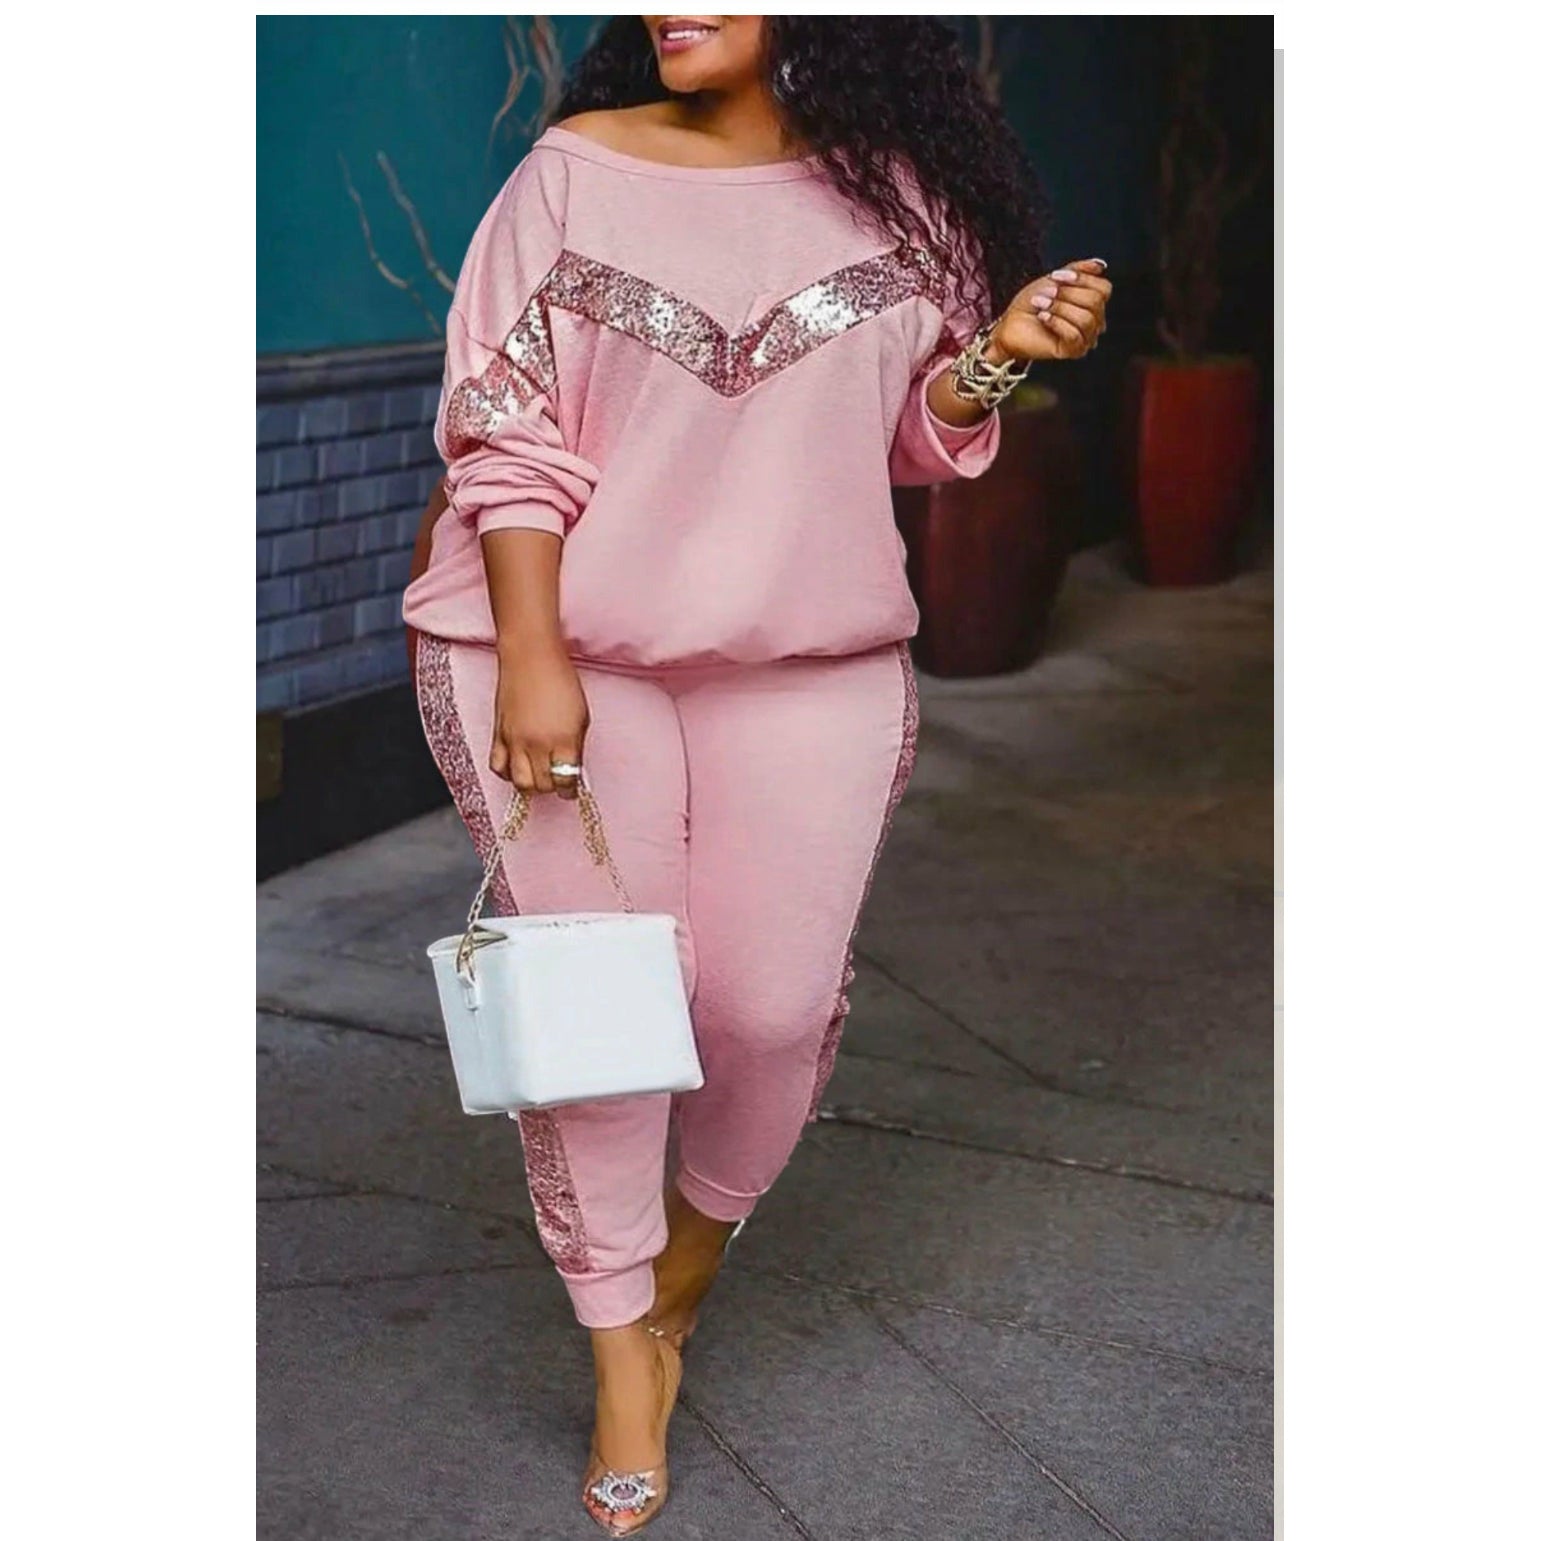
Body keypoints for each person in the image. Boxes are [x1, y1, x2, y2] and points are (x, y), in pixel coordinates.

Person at [400, 15, 1110, 1534]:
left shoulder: (904, 198)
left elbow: (912, 435)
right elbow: (505, 435)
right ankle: (620, 1351)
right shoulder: (571, 175)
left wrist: (1000, 355)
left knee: (769, 1010)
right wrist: (534, 653)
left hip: (810, 655)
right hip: (561, 649)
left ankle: (683, 1268)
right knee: (599, 1014)